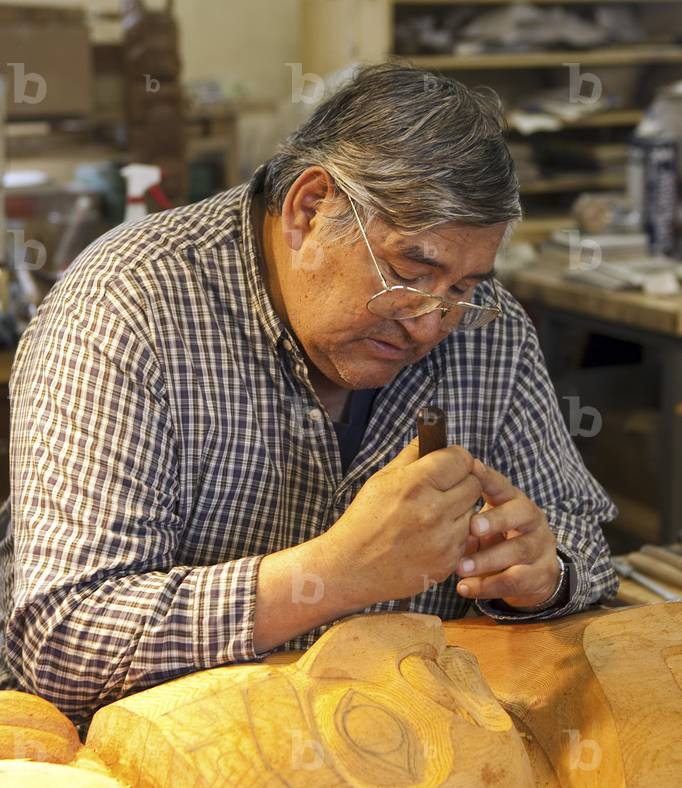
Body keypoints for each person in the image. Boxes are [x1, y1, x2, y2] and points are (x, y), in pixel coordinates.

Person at [0, 63, 618, 728]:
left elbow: (586, 543)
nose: (430, 323)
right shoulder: (129, 309)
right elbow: (64, 640)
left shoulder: (487, 331)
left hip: (405, 749)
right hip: (171, 759)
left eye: (464, 287)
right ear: (309, 209)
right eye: (411, 273)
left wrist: (543, 573)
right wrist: (337, 572)